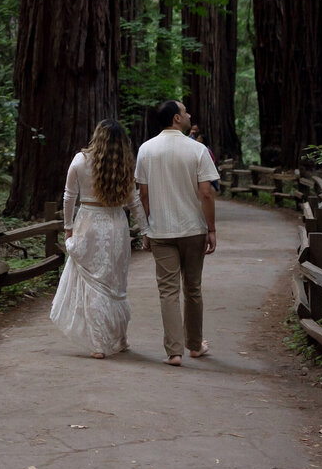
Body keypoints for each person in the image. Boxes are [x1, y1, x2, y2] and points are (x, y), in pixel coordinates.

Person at [50, 120, 145, 358]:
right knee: (116, 284)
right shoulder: (124, 165)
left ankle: (98, 344)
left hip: (88, 222)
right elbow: (134, 202)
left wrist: (68, 227)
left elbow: (69, 197)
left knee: (94, 285)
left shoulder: (80, 161)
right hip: (116, 227)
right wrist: (145, 230)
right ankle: (120, 339)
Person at [135, 99, 219, 366]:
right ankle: (195, 345)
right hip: (193, 229)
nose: (189, 114)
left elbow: (143, 195)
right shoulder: (198, 150)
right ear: (175, 119)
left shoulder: (146, 150)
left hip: (160, 230)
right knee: (192, 287)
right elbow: (206, 192)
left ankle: (173, 352)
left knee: (168, 291)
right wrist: (211, 229)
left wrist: (146, 229)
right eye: (185, 111)